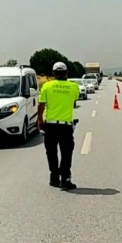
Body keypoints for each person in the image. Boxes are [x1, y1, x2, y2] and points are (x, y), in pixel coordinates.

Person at [37, 61, 81, 190]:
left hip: (50, 125)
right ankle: (65, 179)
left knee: (51, 152)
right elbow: (74, 100)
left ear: (53, 73)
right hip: (66, 126)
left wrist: (40, 120)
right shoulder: (73, 87)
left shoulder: (46, 86)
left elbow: (41, 105)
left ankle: (54, 178)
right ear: (67, 73)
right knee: (66, 153)